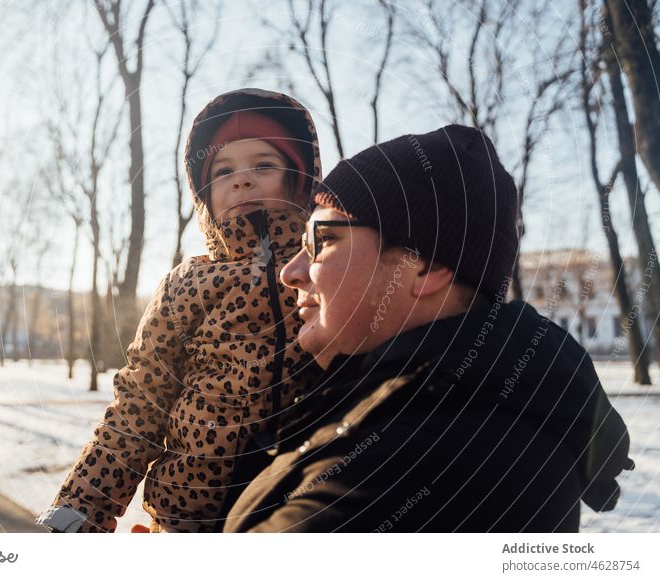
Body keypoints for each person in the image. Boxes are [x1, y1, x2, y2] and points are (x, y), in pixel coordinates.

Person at [224, 125, 633, 532]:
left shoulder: (439, 452)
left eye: (323, 241)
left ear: (427, 266)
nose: (290, 273)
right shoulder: (404, 402)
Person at [36, 88, 322, 533]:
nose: (241, 181)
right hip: (188, 522)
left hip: (301, 514)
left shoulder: (323, 270)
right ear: (205, 194)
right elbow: (138, 406)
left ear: (299, 179)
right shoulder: (186, 286)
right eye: (223, 170)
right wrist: (73, 517)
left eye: (263, 165)